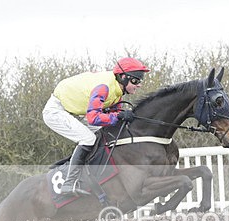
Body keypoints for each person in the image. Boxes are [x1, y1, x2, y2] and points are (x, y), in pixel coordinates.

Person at [42, 57, 150, 195]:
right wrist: (117, 116)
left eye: (140, 81)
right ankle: (69, 183)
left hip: (75, 111)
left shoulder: (117, 91)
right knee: (88, 139)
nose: (139, 85)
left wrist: (122, 116)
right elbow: (94, 118)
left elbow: (112, 114)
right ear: (123, 77)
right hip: (56, 111)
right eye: (136, 80)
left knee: (103, 133)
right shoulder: (104, 87)